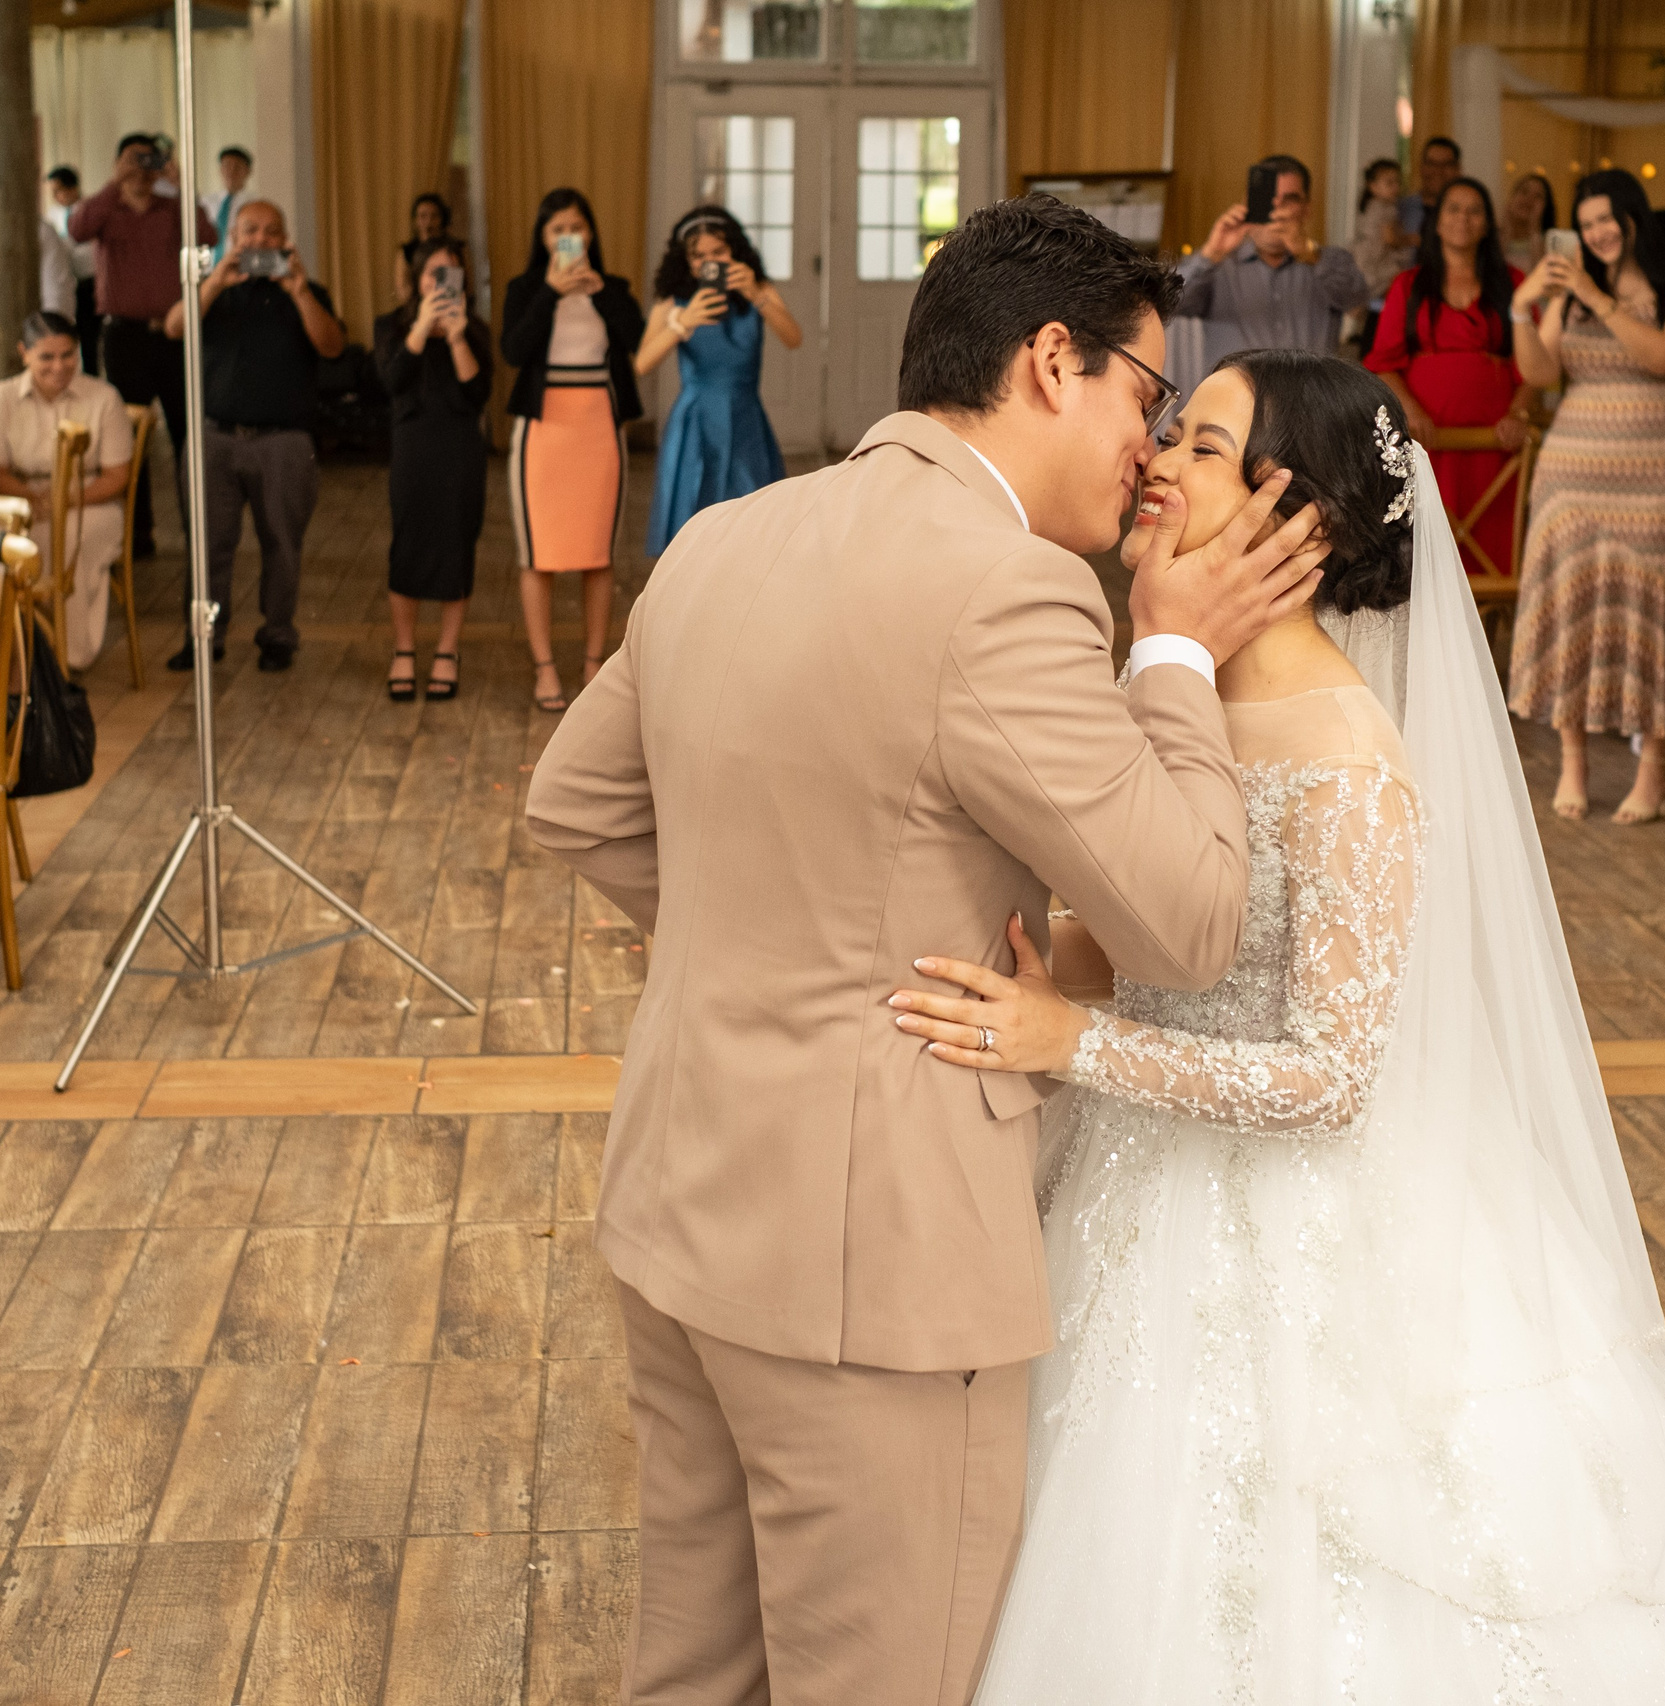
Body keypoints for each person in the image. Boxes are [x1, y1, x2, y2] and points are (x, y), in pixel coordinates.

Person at [881, 345, 1665, 1706]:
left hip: (1307, 1217)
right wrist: (1063, 966)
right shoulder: (1176, 694)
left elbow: (1326, 1076)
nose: (1157, 459)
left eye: (1203, 443)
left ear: (1294, 511)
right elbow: (1179, 942)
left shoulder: (1350, 765)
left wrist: (1065, 1040)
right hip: (1141, 1179)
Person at [522, 190, 1330, 1706]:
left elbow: (574, 798)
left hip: (680, 1199)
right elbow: (1191, 924)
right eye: (1144, 397)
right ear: (1049, 362)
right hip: (867, 1264)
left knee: (693, 1671)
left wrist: (770, 940)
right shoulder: (1009, 587)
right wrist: (1171, 646)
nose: (1150, 449)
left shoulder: (724, 535)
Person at [1506, 168, 1665, 824]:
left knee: (1650, 620)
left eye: (1606, 219)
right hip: (1572, 472)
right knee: (1570, 609)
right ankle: (1573, 764)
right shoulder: (1566, 297)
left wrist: (1597, 299)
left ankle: (1652, 771)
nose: (1595, 232)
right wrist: (1524, 308)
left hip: (1656, 479)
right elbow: (1539, 374)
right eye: (1586, 221)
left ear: (1632, 218)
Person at [164, 199, 345, 672]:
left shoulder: (307, 291)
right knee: (206, 543)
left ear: (286, 240)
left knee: (283, 543)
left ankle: (279, 634)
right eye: (249, 232)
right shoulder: (213, 291)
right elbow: (175, 328)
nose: (260, 241)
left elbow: (332, 345)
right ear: (231, 238)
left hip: (284, 441)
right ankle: (205, 637)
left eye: (271, 232)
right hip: (213, 437)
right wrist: (212, 282)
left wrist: (300, 291)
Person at [501, 188, 643, 712]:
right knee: (538, 555)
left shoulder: (614, 288)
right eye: (557, 228)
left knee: (596, 553)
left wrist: (599, 290)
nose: (568, 237)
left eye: (577, 227)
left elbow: (637, 337)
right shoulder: (525, 288)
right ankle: (544, 668)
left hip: (598, 428)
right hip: (544, 431)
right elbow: (513, 350)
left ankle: (591, 666)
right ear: (543, 237)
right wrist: (550, 293)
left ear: (591, 233)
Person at [1364, 175, 1528, 575]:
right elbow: (1383, 362)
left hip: (1494, 449)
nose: (1463, 219)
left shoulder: (1514, 284)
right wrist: (1412, 411)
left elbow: (1531, 370)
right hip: (1427, 445)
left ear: (1487, 223)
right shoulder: (1409, 285)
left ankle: (1491, 635)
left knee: (1491, 555)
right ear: (1436, 222)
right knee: (1425, 560)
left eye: (1475, 211)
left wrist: (1519, 415)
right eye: (1453, 209)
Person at [70, 131, 217, 560]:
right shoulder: (105, 211)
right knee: (128, 438)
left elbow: (207, 236)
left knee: (187, 434)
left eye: (149, 161)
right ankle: (136, 535)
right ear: (118, 164)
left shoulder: (173, 209)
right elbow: (78, 229)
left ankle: (199, 533)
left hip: (174, 334)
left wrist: (181, 183)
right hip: (124, 336)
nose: (141, 170)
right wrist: (113, 184)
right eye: (133, 161)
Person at [0, 312, 135, 671]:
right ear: (24, 353)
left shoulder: (104, 397)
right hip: (22, 498)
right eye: (47, 356)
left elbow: (117, 476)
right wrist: (35, 501)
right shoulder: (2, 398)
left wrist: (66, 501)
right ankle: (8, 653)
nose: (59, 366)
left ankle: (65, 654)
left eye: (68, 355)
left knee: (68, 540)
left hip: (90, 499)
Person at [638, 205, 798, 557]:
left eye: (719, 252)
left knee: (753, 527)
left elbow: (793, 337)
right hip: (695, 422)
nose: (710, 261)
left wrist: (756, 294)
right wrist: (682, 322)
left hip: (746, 419)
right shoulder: (674, 300)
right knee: (692, 524)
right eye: (699, 256)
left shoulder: (758, 290)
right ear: (686, 260)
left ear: (735, 251)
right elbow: (642, 363)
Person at [378, 237, 492, 702]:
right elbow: (391, 380)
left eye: (450, 273)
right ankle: (403, 648)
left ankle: (448, 649)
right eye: (432, 273)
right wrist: (422, 330)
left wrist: (458, 335)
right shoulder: (393, 326)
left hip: (461, 450)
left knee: (456, 543)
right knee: (407, 543)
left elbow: (477, 394)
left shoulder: (476, 330)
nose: (440, 282)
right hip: (413, 450)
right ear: (418, 279)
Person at [1175, 155, 1367, 359]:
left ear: (1306, 209)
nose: (1276, 207)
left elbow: (1357, 304)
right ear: (1246, 204)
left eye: (1290, 199)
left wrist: (1311, 255)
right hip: (1237, 389)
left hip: (1311, 389)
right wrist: (1211, 254)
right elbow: (1170, 305)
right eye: (1266, 199)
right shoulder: (1218, 265)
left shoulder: (1330, 260)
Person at [46, 166, 101, 375]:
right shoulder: (53, 214)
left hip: (89, 281)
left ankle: (92, 373)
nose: (55, 196)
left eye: (58, 190)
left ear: (72, 188)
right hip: (66, 280)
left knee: (89, 335)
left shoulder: (89, 210)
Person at [1350, 159, 1418, 317]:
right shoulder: (1385, 208)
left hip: (1370, 254)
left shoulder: (1373, 206)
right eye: (1389, 183)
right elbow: (1390, 239)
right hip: (1376, 257)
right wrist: (1411, 239)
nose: (1395, 188)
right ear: (1373, 186)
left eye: (1397, 182)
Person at [1397, 133, 1463, 239]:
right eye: (1431, 163)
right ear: (1421, 167)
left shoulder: (1467, 213)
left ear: (1457, 169)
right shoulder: (1399, 209)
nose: (1438, 171)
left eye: (1446, 164)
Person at [394, 192, 455, 302]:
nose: (428, 222)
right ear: (415, 220)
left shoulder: (452, 249)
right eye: (423, 216)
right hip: (416, 308)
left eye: (434, 216)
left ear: (442, 219)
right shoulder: (407, 251)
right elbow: (403, 292)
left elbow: (454, 292)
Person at [207, 146, 262, 267]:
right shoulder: (206, 202)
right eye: (227, 166)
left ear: (248, 171)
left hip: (240, 267)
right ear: (220, 169)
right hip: (208, 270)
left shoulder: (255, 205)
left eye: (237, 167)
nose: (231, 171)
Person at [1499, 169, 1556, 272]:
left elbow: (1543, 278)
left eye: (1538, 196)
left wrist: (1534, 231)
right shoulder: (1492, 238)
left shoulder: (1552, 245)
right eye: (1524, 192)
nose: (1529, 199)